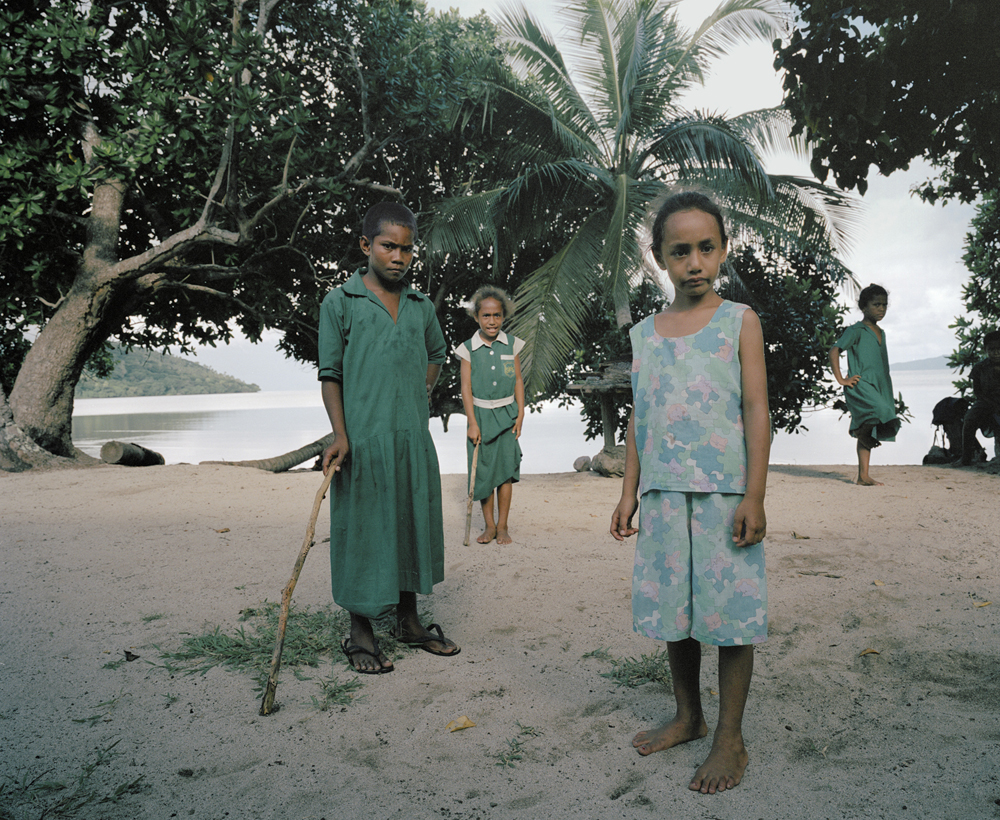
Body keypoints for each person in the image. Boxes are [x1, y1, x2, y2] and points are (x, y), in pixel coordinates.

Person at [610, 191, 770, 795]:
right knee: (675, 616)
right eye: (680, 251)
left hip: (725, 495)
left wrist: (755, 495)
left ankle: (730, 736)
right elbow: (640, 416)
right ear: (660, 257)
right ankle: (688, 715)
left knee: (731, 619)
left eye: (706, 248)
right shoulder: (644, 334)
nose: (695, 262)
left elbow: (755, 408)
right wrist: (630, 490)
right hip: (663, 496)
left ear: (724, 249)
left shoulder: (739, 321)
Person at [318, 202, 460, 675]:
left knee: (408, 522)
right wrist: (341, 435)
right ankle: (360, 629)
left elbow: (437, 353)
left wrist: (420, 391)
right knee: (363, 529)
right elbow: (330, 374)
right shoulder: (341, 302)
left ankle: (407, 620)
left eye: (407, 249)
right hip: (363, 440)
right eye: (388, 246)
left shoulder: (420, 306)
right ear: (366, 245)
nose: (398, 257)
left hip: (410, 438)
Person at [455, 286, 525, 545]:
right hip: (481, 418)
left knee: (505, 473)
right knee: (483, 473)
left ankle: (503, 526)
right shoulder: (467, 349)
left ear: (503, 316)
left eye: (497, 315)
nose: (492, 321)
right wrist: (472, 423)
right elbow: (466, 387)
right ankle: (490, 526)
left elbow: (518, 380)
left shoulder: (512, 345)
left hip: (508, 416)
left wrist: (521, 414)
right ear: (476, 317)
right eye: (486, 315)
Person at [828, 284, 901, 485]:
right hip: (861, 384)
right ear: (863, 307)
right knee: (881, 412)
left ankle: (863, 476)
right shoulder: (856, 330)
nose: (881, 309)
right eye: (876, 304)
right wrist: (841, 379)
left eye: (884, 305)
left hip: (881, 384)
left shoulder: (881, 332)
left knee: (874, 423)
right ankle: (861, 433)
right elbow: (834, 351)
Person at [959, 329, 1000, 465]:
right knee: (969, 419)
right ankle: (966, 457)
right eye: (992, 349)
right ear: (985, 350)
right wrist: (992, 405)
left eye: (999, 349)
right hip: (986, 402)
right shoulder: (980, 367)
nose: (996, 352)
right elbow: (978, 392)